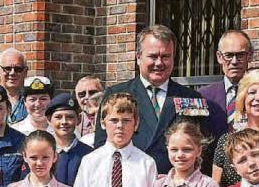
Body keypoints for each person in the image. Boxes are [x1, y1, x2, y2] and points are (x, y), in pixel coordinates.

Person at [95, 25, 224, 174]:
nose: (159, 63)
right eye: (153, 56)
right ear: (138, 57)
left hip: (176, 182)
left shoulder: (190, 98)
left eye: (165, 57)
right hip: (131, 179)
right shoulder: (116, 94)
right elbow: (102, 146)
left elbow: (204, 147)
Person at [199, 30, 254, 129]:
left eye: (240, 55)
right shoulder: (204, 96)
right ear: (219, 57)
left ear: (249, 56)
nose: (234, 61)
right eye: (228, 55)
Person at [48, 93, 93, 187]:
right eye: (58, 117)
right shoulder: (42, 153)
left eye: (70, 117)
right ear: (49, 120)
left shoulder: (89, 154)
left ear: (79, 119)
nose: (64, 122)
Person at [0, 47, 30, 124]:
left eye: (18, 69)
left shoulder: (34, 102)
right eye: (7, 68)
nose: (12, 73)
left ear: (25, 71)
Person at [74, 75, 104, 146]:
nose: (87, 97)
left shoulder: (112, 120)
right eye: (82, 94)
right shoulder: (73, 123)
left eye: (92, 92)